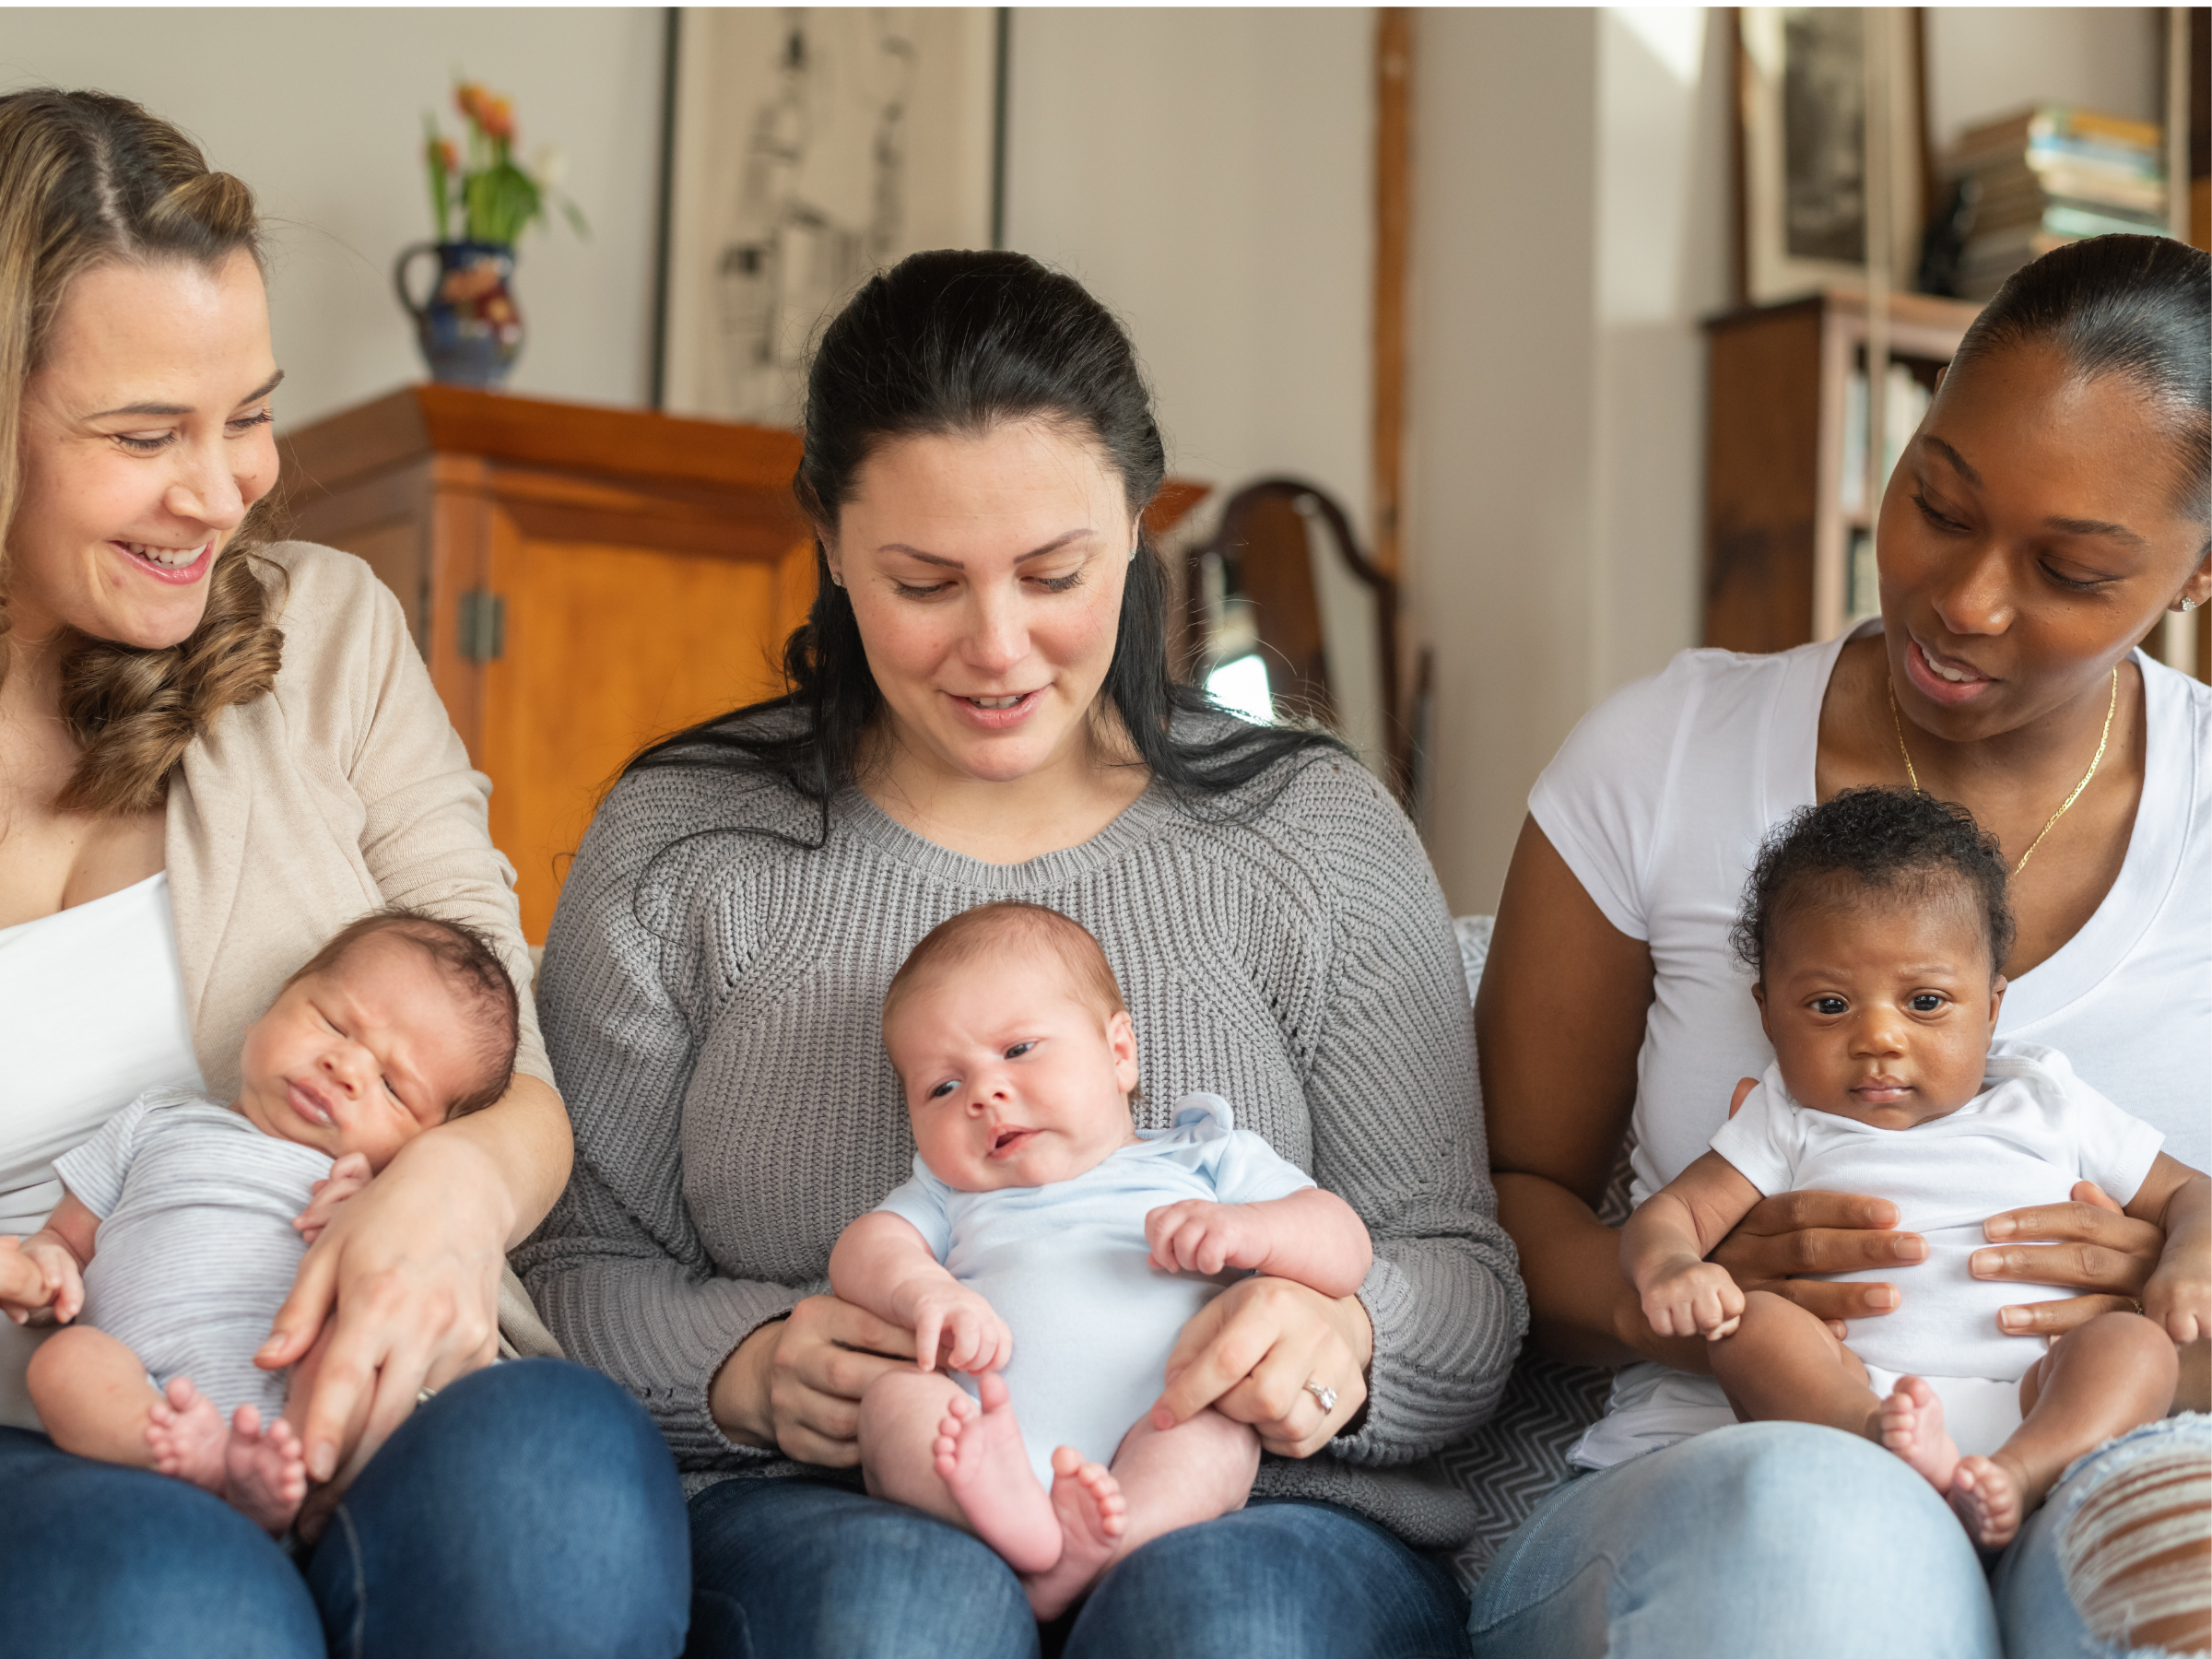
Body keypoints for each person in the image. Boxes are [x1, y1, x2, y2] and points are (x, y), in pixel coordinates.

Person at [517, 247, 1523, 1659]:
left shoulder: (1310, 829)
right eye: (924, 582)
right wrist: (739, 1372)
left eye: (1055, 574)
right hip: (834, 1514)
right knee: (900, 1612)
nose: (998, 650)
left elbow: (1462, 1274)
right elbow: (560, 1262)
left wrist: (1350, 1347)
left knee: (1224, 1624)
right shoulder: (692, 843)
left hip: (1260, 1523)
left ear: (1138, 521)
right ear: (826, 541)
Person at [0, 89, 686, 1657]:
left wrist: (446, 1192)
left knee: (562, 1496)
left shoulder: (326, 638)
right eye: (142, 434)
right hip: (58, 1432)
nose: (232, 484)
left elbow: (516, 1064)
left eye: (246, 411)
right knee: (172, 1600)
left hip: (381, 1371)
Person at [1472, 231, 2211, 1659]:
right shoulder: (1661, 757)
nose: (1968, 601)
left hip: (2105, 1451)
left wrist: (2168, 1292)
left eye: (2070, 570)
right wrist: (1690, 1291)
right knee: (1837, 1551)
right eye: (1938, 501)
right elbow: (1496, 1211)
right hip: (1723, 1480)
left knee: (2182, 1568)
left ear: (2195, 574)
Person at [1624, 788, 2205, 1549]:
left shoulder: (2046, 1098)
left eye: (1925, 1001)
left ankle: (2022, 1474)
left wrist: (2187, 1264)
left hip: (2043, 1388)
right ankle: (1882, 1446)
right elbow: (1673, 1215)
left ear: (1992, 1009)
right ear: (1768, 1013)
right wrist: (1671, 1268)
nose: (1879, 1038)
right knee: (1750, 1326)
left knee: (2136, 1349)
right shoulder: (1787, 1118)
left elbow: (2191, 1191)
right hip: (1855, 1392)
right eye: (1830, 1005)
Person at [831, 902, 1373, 1619]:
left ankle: (1108, 1552)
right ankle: (1003, 1519)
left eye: (1018, 1050)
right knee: (897, 1403)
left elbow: (1344, 1242)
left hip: (1163, 1418)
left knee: (1216, 1427)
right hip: (987, 1431)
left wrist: (1249, 1230)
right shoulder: (949, 1192)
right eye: (942, 1087)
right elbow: (863, 1250)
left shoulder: (1200, 1158)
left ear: (1120, 1053)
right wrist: (925, 1290)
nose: (984, 1094)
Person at [6, 911, 524, 1534]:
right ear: (269, 1009)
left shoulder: (378, 1190)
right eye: (333, 1023)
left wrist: (354, 1222)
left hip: (302, 1399)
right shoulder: (153, 1120)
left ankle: (302, 1482)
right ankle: (200, 1463)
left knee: (355, 1342)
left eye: (392, 1086)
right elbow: (67, 1237)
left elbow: (404, 1288)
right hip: (143, 1391)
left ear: (427, 1137)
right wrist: (41, 1271)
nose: (347, 1066)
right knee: (63, 1363)